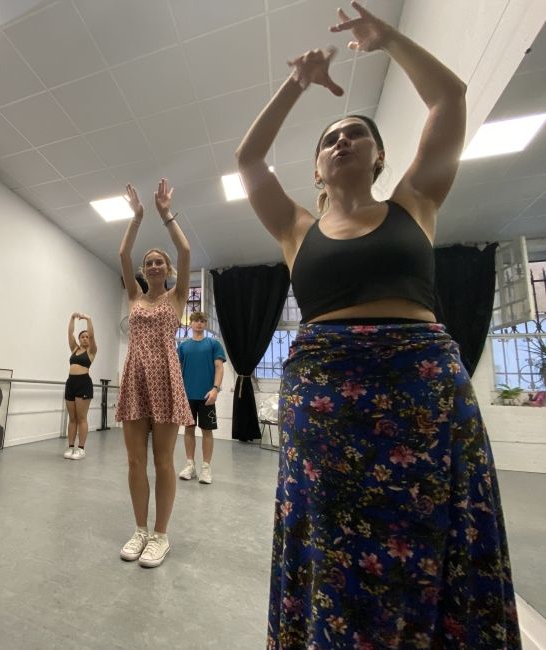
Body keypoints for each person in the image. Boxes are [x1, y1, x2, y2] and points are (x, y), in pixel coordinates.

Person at [236, 3, 519, 647]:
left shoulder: (415, 202)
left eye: (356, 133)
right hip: (327, 401)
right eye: (329, 140)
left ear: (380, 155)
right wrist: (297, 82)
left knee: (431, 530)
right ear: (316, 169)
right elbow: (249, 160)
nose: (342, 142)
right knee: (334, 541)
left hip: (422, 392)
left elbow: (449, 97)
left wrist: (389, 38)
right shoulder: (294, 228)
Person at [116, 179, 194, 568]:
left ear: (167, 269)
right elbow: (122, 252)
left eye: (158, 261)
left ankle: (161, 535)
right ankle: (139, 530)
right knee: (134, 462)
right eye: (148, 262)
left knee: (163, 461)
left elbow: (185, 249)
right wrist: (136, 217)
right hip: (134, 380)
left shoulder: (176, 298)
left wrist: (165, 215)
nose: (153, 265)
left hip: (166, 380)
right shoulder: (133, 295)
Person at [177, 312, 226, 484]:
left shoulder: (213, 344)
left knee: (207, 431)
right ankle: (190, 465)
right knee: (188, 430)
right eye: (195, 321)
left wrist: (215, 389)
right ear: (190, 324)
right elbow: (177, 371)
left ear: (205, 324)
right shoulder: (183, 347)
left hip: (207, 396)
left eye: (202, 321)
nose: (198, 323)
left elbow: (219, 368)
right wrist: (178, 392)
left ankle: (206, 468)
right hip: (187, 396)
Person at [64, 313, 97, 460]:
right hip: (70, 383)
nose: (85, 338)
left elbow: (92, 335)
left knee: (82, 418)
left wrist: (88, 319)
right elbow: (69, 333)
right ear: (79, 339)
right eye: (82, 336)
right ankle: (70, 447)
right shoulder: (74, 349)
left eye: (87, 336)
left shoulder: (92, 351)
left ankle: (81, 449)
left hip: (84, 384)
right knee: (72, 418)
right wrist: (72, 318)